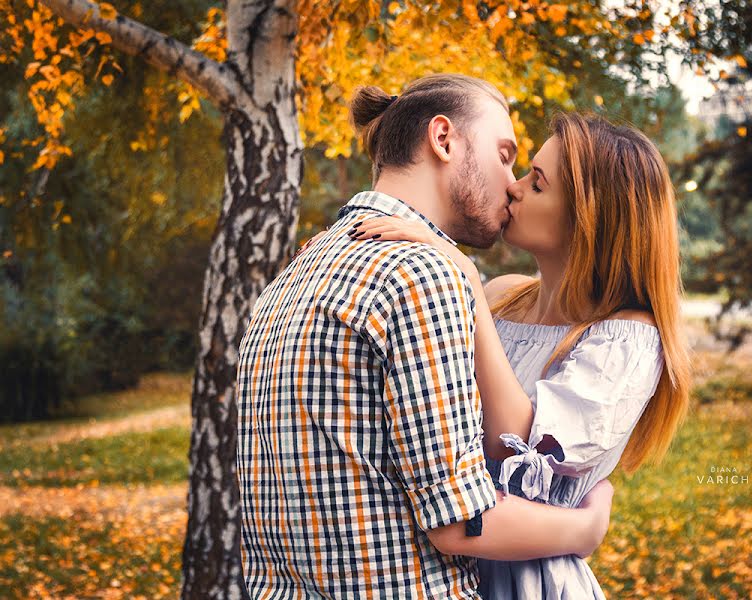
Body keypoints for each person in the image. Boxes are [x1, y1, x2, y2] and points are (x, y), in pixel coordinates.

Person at [236, 74, 615, 599]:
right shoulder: (424, 275)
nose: (511, 183)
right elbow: (460, 522)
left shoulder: (294, 276)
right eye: (504, 155)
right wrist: (584, 528)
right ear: (443, 140)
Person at [346, 111, 692, 598]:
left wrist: (465, 278)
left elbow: (514, 447)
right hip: (437, 566)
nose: (514, 188)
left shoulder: (627, 340)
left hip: (527, 580)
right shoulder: (504, 295)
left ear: (591, 217)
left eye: (538, 183)